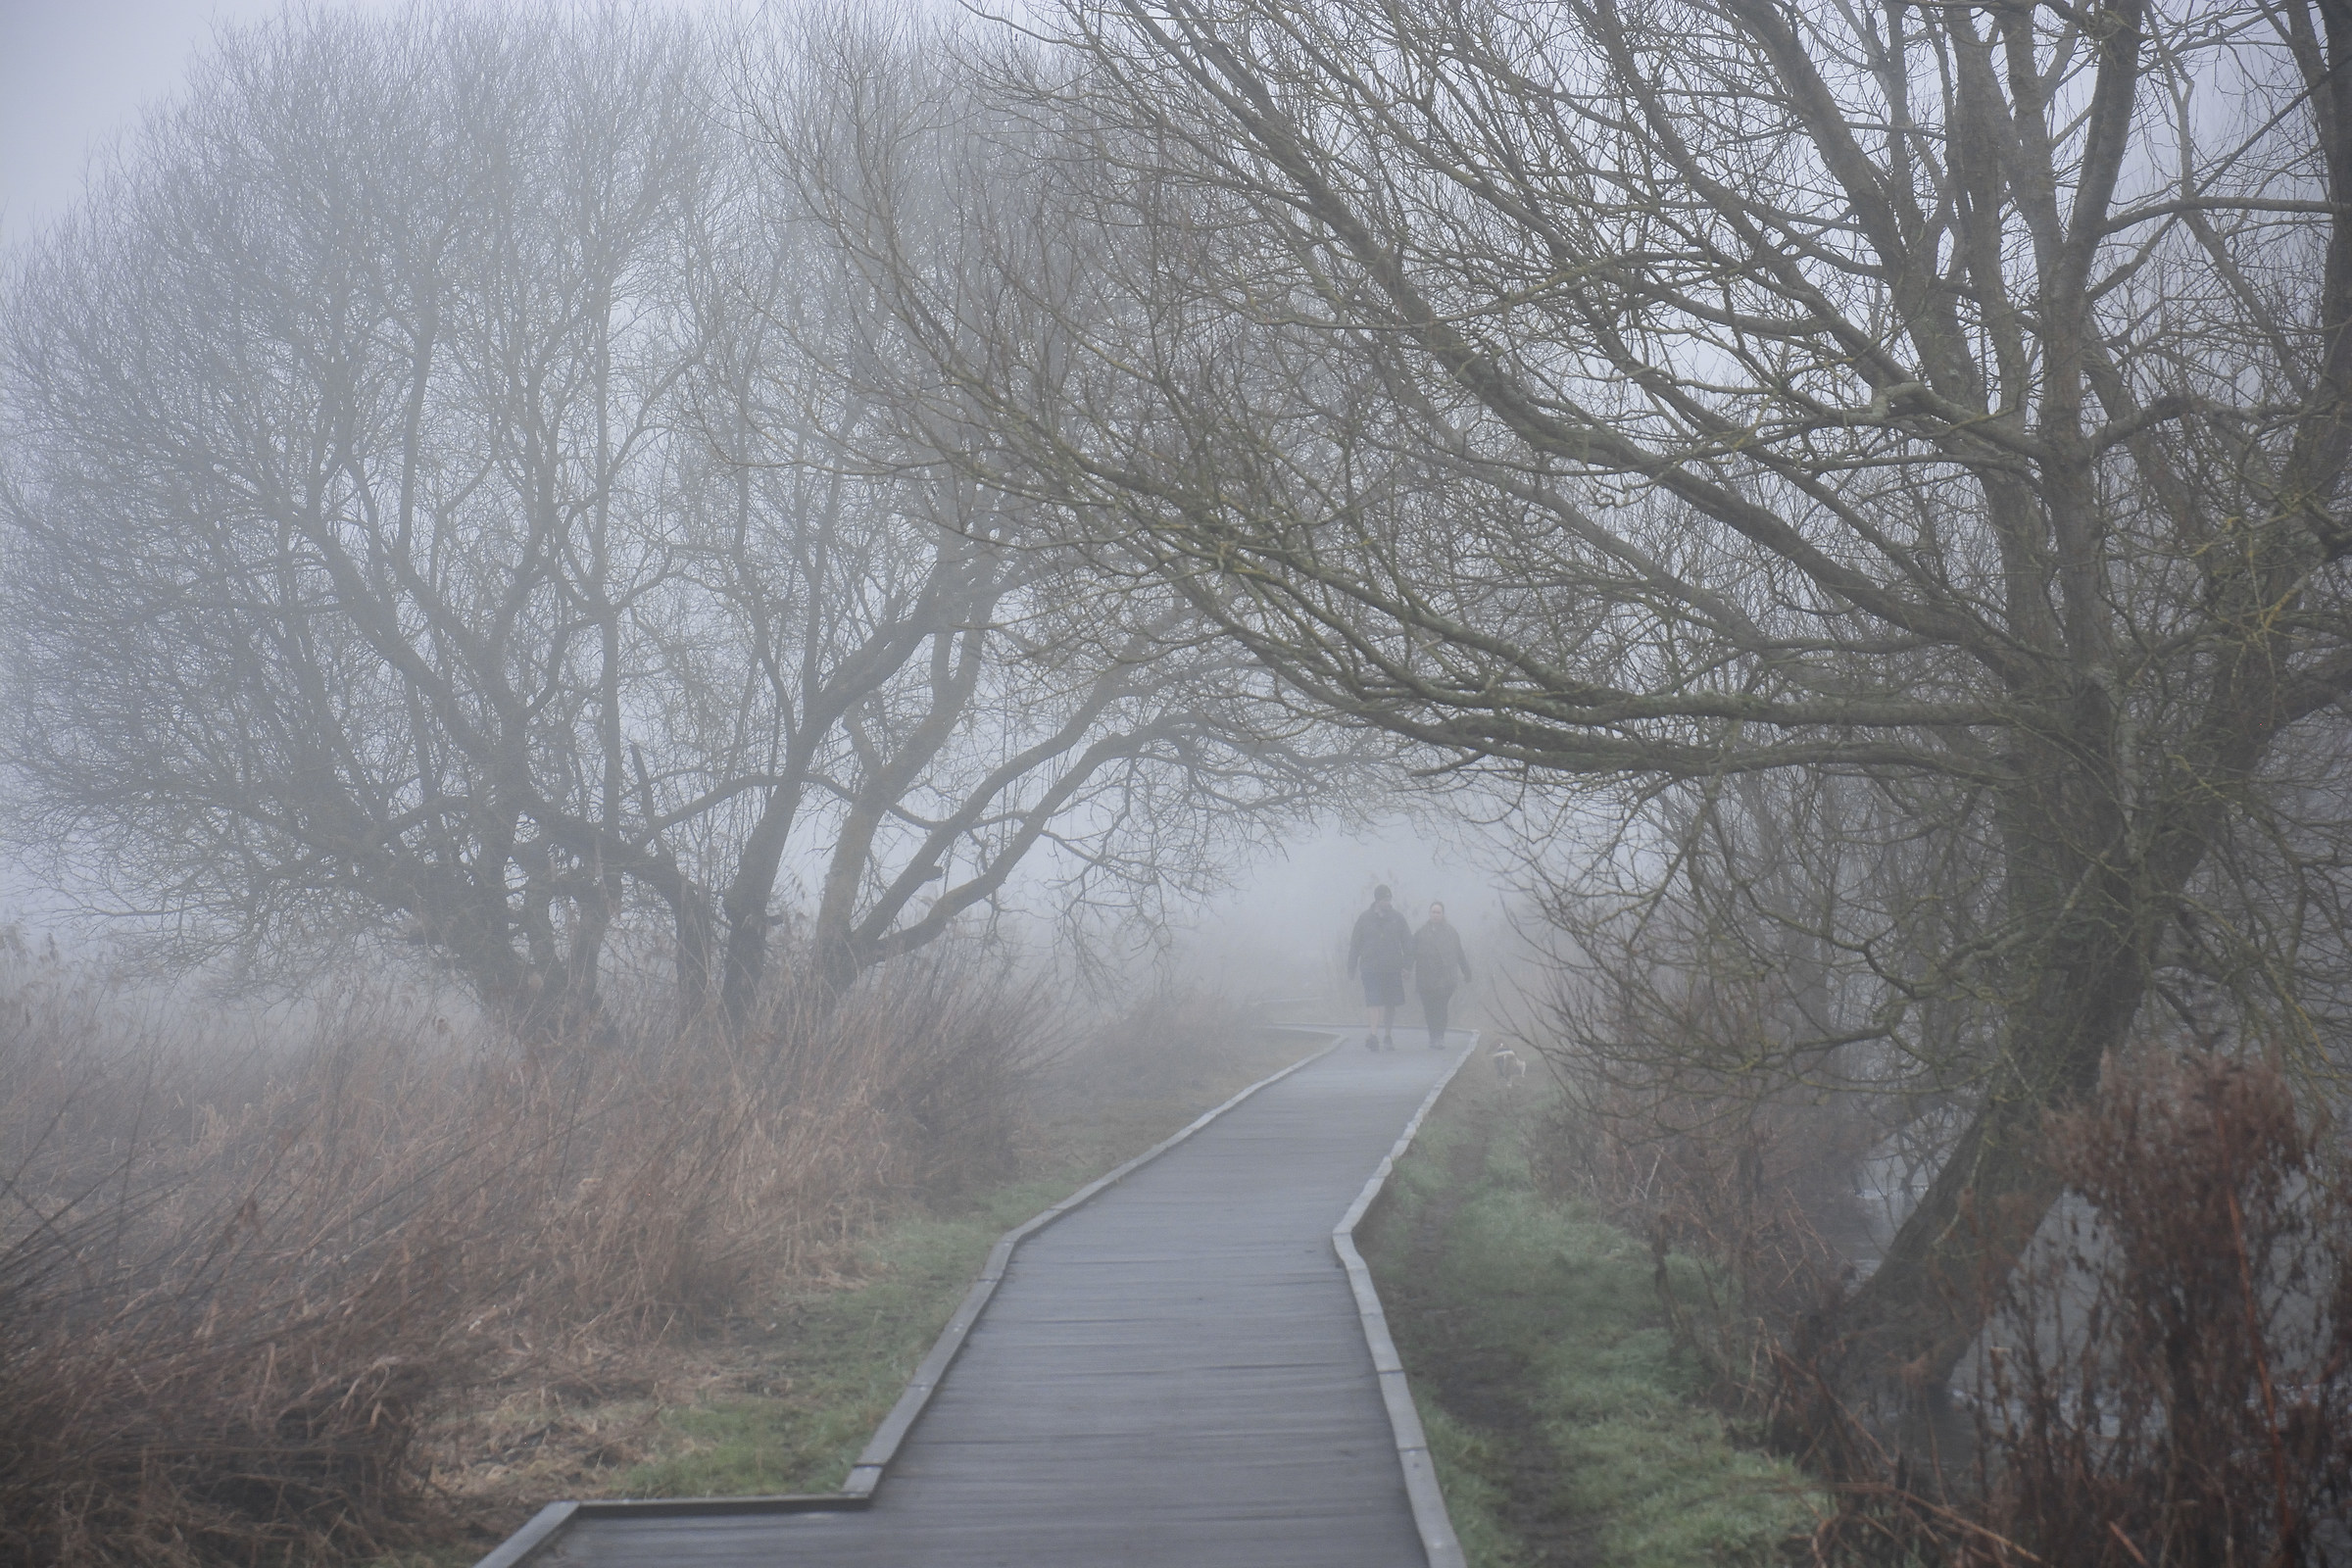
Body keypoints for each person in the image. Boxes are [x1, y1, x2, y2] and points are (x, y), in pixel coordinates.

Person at [1347, 885, 1412, 1051]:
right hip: (1370, 968)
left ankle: (1388, 1035)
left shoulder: (1398, 918)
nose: (1387, 903)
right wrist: (1351, 967)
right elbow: (1355, 944)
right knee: (1373, 1002)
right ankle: (1373, 1035)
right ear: (1377, 900)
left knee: (1390, 1004)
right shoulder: (1364, 919)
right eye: (1384, 899)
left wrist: (1407, 965)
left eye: (1389, 899)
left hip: (1392, 968)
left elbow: (1408, 943)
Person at [1411, 902, 1471, 1050]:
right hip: (1425, 979)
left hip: (1445, 979)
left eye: (1438, 912)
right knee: (1429, 1009)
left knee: (1441, 1007)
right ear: (1429, 914)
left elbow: (1459, 953)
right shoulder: (1420, 933)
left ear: (1443, 914)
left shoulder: (1451, 933)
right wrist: (1406, 968)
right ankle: (1433, 1035)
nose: (1435, 915)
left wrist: (1466, 971)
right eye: (1433, 912)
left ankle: (1440, 1036)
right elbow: (1411, 953)